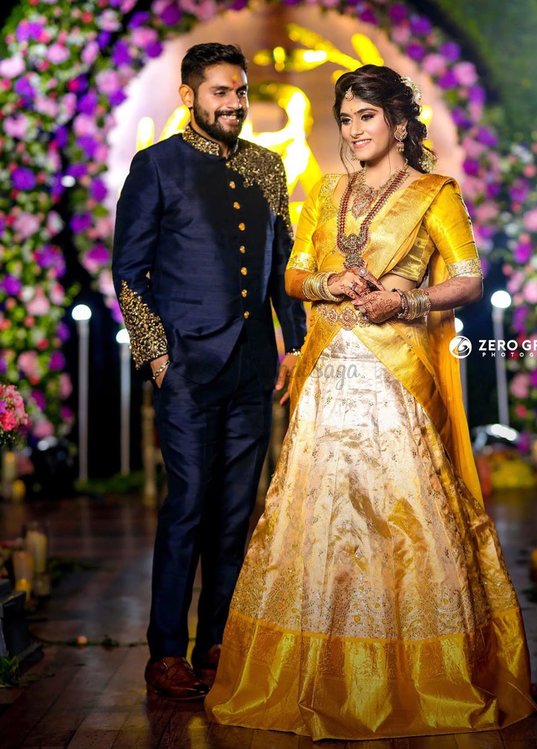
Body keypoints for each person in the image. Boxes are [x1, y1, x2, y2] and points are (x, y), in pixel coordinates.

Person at [205, 65, 537, 738]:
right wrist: (329, 281)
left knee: (403, 524)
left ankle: (418, 677)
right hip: (329, 376)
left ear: (399, 123)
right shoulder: (327, 192)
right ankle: (312, 676)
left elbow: (469, 280)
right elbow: (295, 275)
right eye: (346, 120)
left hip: (397, 379)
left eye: (366, 117)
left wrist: (406, 298)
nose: (354, 131)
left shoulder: (435, 194)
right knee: (317, 523)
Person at [112, 43, 306, 701]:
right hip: (186, 370)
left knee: (234, 511)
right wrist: (156, 354)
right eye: (221, 92)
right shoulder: (157, 166)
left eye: (241, 92)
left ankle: (215, 640)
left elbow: (281, 272)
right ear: (190, 95)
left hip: (252, 368)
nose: (233, 104)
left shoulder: (268, 168)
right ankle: (165, 651)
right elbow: (129, 272)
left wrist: (293, 346)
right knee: (189, 506)